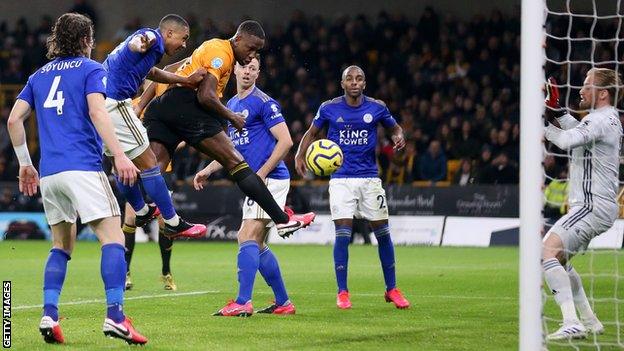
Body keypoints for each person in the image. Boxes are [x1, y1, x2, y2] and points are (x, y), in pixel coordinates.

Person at [6, 13, 147, 345]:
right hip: (82, 168)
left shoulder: (38, 76)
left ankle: (49, 314)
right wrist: (121, 154)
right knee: (112, 237)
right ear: (86, 40)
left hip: (51, 174)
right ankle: (115, 317)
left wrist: (26, 164)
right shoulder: (91, 69)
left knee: (61, 246)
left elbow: (14, 119)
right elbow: (98, 112)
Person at [143, 20, 315, 237]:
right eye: (250, 48)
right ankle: (283, 220)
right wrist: (230, 116)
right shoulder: (221, 53)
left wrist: (141, 105)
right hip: (186, 105)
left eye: (257, 53)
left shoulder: (210, 47)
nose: (251, 55)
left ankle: (146, 209)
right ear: (238, 38)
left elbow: (168, 68)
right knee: (237, 164)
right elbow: (205, 96)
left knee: (154, 167)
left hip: (161, 108)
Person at [294, 65, 410, 310]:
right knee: (343, 234)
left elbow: (395, 128)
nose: (354, 82)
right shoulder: (329, 108)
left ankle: (392, 289)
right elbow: (311, 133)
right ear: (342, 83)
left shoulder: (377, 107)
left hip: (370, 179)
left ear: (364, 84)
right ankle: (343, 291)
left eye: (359, 79)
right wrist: (299, 155)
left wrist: (399, 136)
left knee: (383, 233)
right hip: (341, 180)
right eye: (350, 79)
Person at [194, 56, 299, 316]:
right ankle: (283, 303)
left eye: (253, 68)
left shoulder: (264, 103)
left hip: (270, 178)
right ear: (236, 69)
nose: (248, 72)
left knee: (247, 236)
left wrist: (262, 173)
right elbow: (231, 149)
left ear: (258, 72)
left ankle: (243, 301)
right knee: (256, 241)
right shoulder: (231, 104)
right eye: (244, 66)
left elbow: (286, 141)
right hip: (255, 181)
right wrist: (207, 170)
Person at [103, 14, 207, 239]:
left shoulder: (151, 53)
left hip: (98, 107)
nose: (184, 44)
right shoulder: (152, 38)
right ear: (169, 33)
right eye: (183, 38)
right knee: (150, 162)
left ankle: (141, 211)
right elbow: (141, 41)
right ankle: (173, 221)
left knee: (122, 166)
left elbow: (152, 72)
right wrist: (141, 43)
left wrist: (185, 80)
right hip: (116, 104)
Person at [542, 70, 622, 340]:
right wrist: (558, 111)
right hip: (595, 205)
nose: (581, 90)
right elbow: (577, 131)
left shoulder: (600, 119)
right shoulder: (604, 119)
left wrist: (539, 125)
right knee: (560, 261)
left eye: (587, 86)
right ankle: (589, 321)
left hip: (591, 205)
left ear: (602, 93)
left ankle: (571, 323)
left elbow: (565, 140)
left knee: (546, 252)